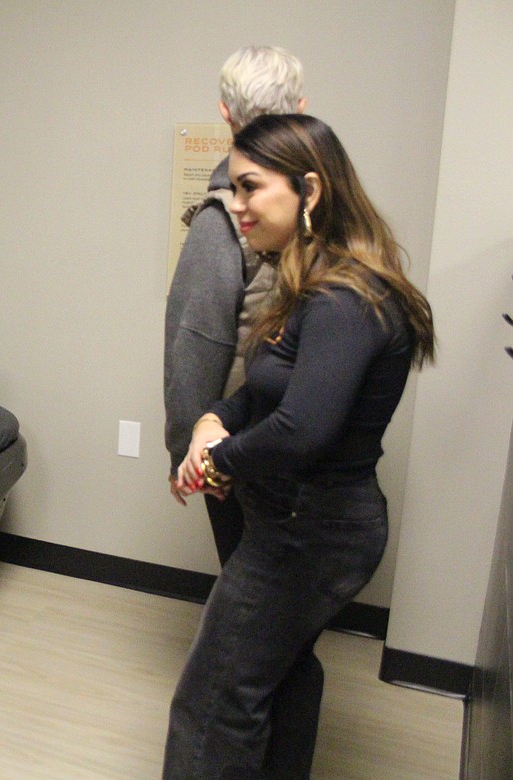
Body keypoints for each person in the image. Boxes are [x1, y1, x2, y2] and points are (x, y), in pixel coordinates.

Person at [162, 114, 436, 780]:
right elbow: (262, 392)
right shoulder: (306, 283)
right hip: (299, 524)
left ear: (309, 191)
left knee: (216, 701)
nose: (237, 204)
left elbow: (301, 429)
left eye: (251, 187)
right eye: (234, 188)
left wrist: (215, 461)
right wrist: (211, 422)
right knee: (273, 679)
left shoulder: (345, 300)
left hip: (307, 533)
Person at [164, 45, 306, 565]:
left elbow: (196, 344)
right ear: (300, 107)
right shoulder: (326, 210)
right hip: (306, 445)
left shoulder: (223, 219)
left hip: (242, 448)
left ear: (225, 112)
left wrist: (188, 451)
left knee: (253, 595)